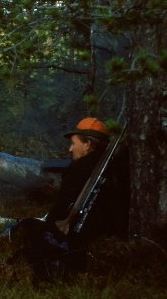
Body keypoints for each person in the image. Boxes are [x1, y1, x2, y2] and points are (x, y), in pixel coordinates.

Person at [19, 117, 128, 281]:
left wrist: (48, 225)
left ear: (88, 145)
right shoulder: (119, 168)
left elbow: (61, 208)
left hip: (82, 234)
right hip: (111, 232)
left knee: (29, 227)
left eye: (73, 143)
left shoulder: (79, 168)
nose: (70, 149)